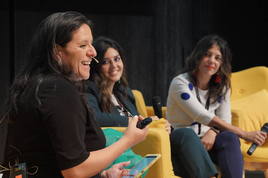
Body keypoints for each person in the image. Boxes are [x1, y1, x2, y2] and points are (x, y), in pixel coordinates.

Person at [1, 11, 148, 178]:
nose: (93, 52)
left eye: (91, 44)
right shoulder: (58, 90)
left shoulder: (34, 85)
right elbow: (74, 170)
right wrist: (127, 140)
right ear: (57, 52)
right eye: (83, 45)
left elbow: (44, 159)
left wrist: (104, 175)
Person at [167, 34, 267, 178]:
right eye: (207, 55)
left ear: (221, 63)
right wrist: (245, 134)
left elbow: (225, 119)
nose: (212, 61)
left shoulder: (222, 86)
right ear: (198, 56)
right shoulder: (180, 83)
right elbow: (201, 115)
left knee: (229, 138)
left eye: (217, 58)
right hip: (182, 143)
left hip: (209, 143)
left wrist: (213, 131)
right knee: (187, 134)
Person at [86, 36, 171, 134]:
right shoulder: (89, 90)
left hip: (144, 140)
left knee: (181, 133)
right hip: (118, 143)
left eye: (117, 59)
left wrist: (162, 126)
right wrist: (132, 121)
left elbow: (140, 122)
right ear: (96, 66)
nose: (114, 66)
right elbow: (95, 118)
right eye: (105, 62)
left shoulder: (125, 92)